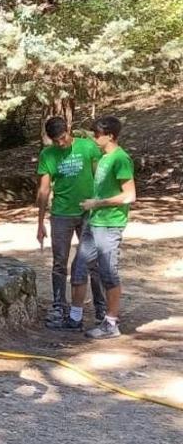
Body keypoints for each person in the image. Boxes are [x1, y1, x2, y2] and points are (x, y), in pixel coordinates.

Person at [64, 115, 136, 339]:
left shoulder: (120, 159)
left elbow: (129, 195)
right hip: (94, 222)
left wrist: (98, 203)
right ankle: (74, 317)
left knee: (108, 272)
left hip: (110, 224)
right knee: (79, 267)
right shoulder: (104, 158)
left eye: (97, 134)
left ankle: (111, 323)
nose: (95, 138)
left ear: (110, 136)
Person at [37, 116, 107, 329]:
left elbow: (100, 176)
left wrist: (100, 205)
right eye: (56, 140)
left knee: (92, 261)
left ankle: (100, 306)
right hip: (61, 214)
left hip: (87, 211)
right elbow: (44, 189)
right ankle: (59, 305)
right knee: (60, 262)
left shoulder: (87, 147)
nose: (61, 143)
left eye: (63, 138)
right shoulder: (47, 155)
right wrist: (40, 222)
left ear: (69, 130)